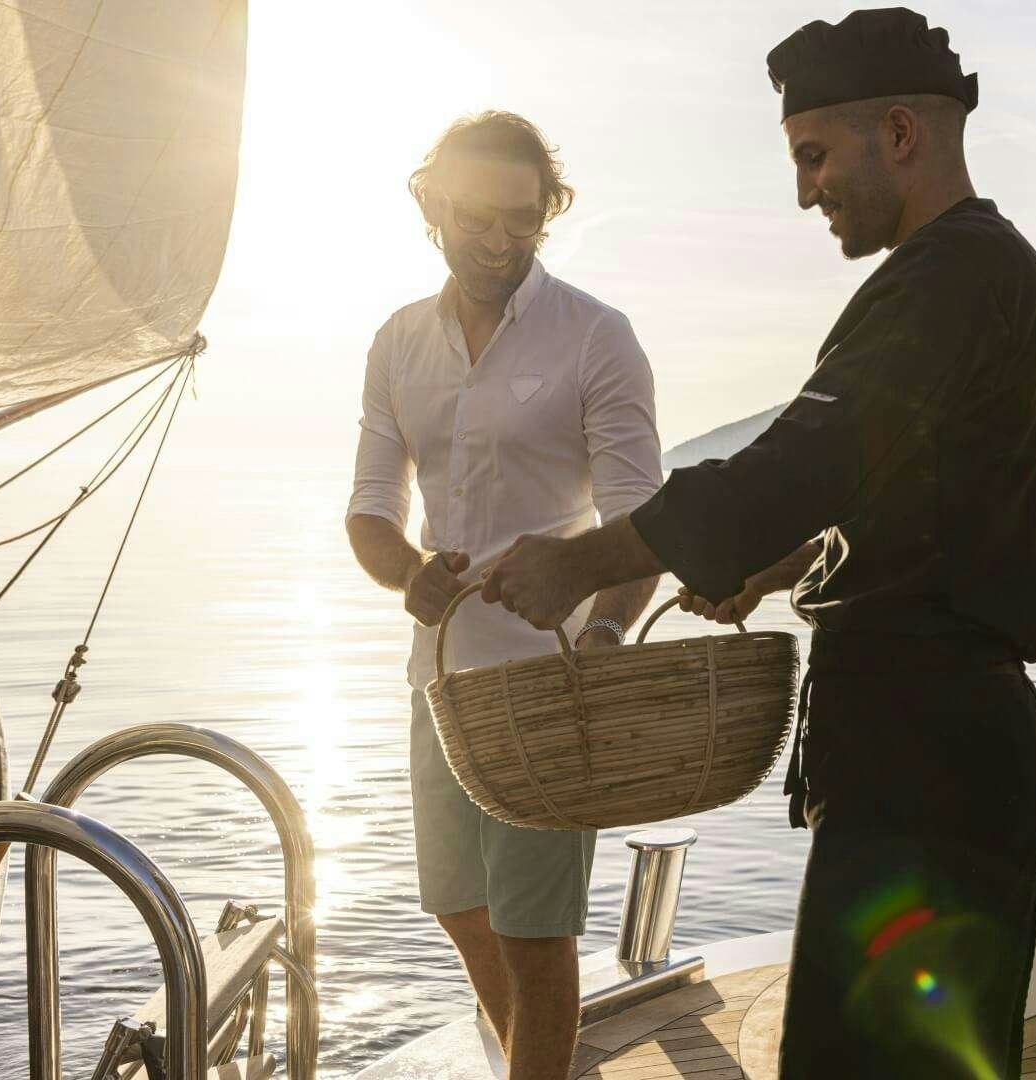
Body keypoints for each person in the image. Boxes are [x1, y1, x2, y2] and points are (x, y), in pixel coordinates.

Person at [479, 10, 1036, 1077]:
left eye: (814, 156)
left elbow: (805, 459)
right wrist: (780, 565)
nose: (806, 191)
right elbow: (906, 492)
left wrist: (581, 561)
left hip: (926, 764)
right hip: (935, 753)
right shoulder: (979, 276)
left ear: (899, 133)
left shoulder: (949, 278)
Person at [345, 111, 662, 1080]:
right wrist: (411, 576)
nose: (500, 239)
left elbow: (644, 530)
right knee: (455, 905)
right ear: (435, 205)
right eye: (480, 217)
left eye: (524, 220)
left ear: (546, 215)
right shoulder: (398, 343)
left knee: (535, 938)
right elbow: (366, 515)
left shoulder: (597, 338)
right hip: (440, 688)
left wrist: (605, 633)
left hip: (553, 686)